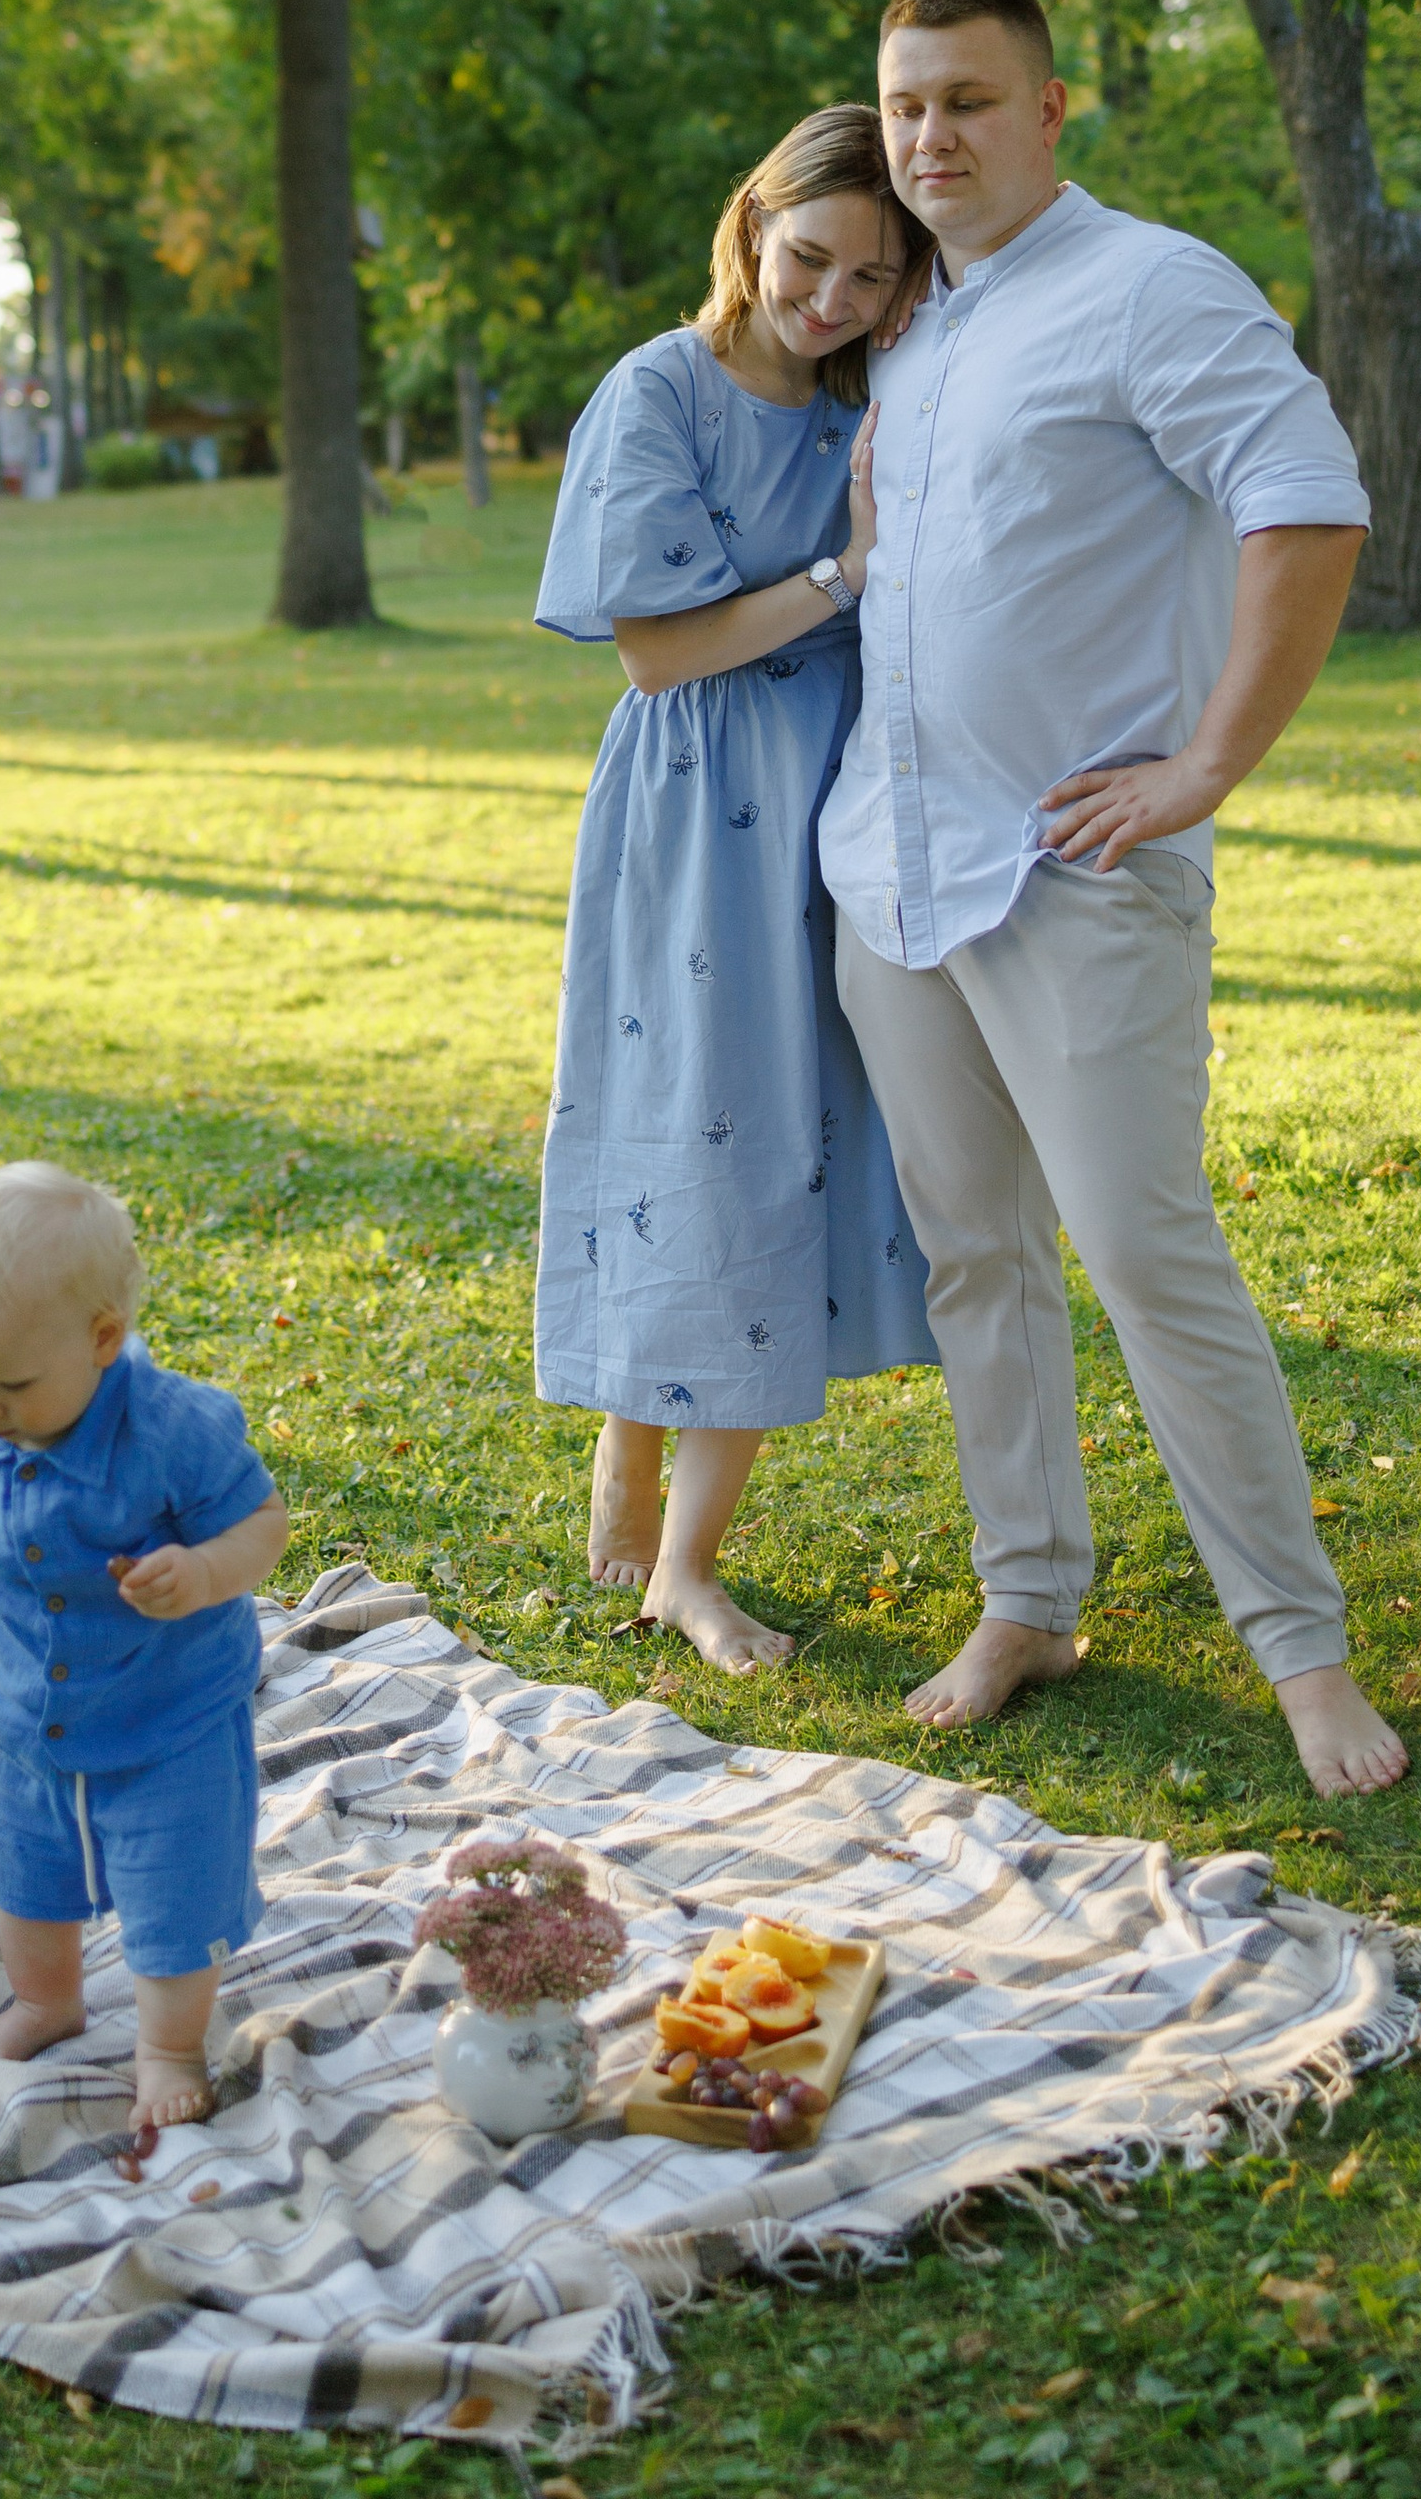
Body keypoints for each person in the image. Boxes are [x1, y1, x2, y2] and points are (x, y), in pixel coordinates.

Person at [820, 0, 1406, 1799]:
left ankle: (1300, 1655)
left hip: (1075, 873)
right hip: (893, 877)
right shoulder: (907, 329)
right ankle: (1030, 1595)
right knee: (974, 1260)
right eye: (909, 104)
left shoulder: (1149, 285)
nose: (932, 136)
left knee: (1152, 1260)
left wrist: (1210, 762)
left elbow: (1306, 496)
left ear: (1052, 110)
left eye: (970, 102)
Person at [534, 107, 936, 1673]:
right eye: (810, 257)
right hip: (699, 816)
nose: (830, 298)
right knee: (693, 1141)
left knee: (781, 1157)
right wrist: (841, 574)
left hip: (836, 808)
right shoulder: (659, 391)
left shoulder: (874, 398)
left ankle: (668, 1533)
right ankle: (653, 1517)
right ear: (753, 222)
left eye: (870, 275)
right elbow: (658, 647)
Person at [0, 1161, 290, 2107]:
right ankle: (46, 2003)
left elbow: (260, 1526)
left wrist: (201, 1574)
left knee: (173, 1898)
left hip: (170, 1723)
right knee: (22, 1883)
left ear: (103, 1338)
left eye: (11, 1385)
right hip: (26, 1721)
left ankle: (170, 2049)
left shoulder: (172, 1430)